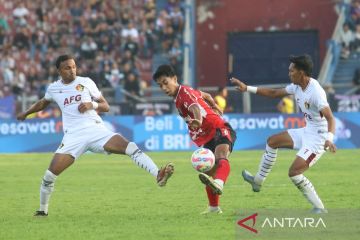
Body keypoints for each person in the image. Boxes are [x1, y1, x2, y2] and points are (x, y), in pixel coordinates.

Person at [16, 55, 174, 217]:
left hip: (95, 130)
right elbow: (43, 102)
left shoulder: (86, 82)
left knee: (130, 147)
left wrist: (92, 104)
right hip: (73, 137)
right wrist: (26, 113)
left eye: (74, 67)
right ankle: (43, 211)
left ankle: (158, 174)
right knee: (49, 175)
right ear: (59, 71)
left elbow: (105, 106)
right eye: (67, 68)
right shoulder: (54, 88)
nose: (72, 70)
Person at [231, 54, 336, 213]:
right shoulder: (297, 86)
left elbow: (330, 117)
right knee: (272, 141)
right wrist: (247, 88)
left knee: (294, 172)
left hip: (318, 139)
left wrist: (329, 139)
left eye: (292, 71)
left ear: (301, 72)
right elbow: (274, 94)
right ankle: (258, 181)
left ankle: (320, 208)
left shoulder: (316, 92)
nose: (289, 73)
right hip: (307, 131)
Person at [153, 65, 237, 214]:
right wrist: (214, 105)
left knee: (221, 157)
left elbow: (195, 108)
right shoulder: (183, 93)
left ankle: (219, 183)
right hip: (207, 135)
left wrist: (198, 120)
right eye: (160, 86)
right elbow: (206, 96)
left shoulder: (183, 93)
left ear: (174, 79)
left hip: (218, 127)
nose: (164, 88)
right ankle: (213, 208)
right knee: (209, 173)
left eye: (166, 83)